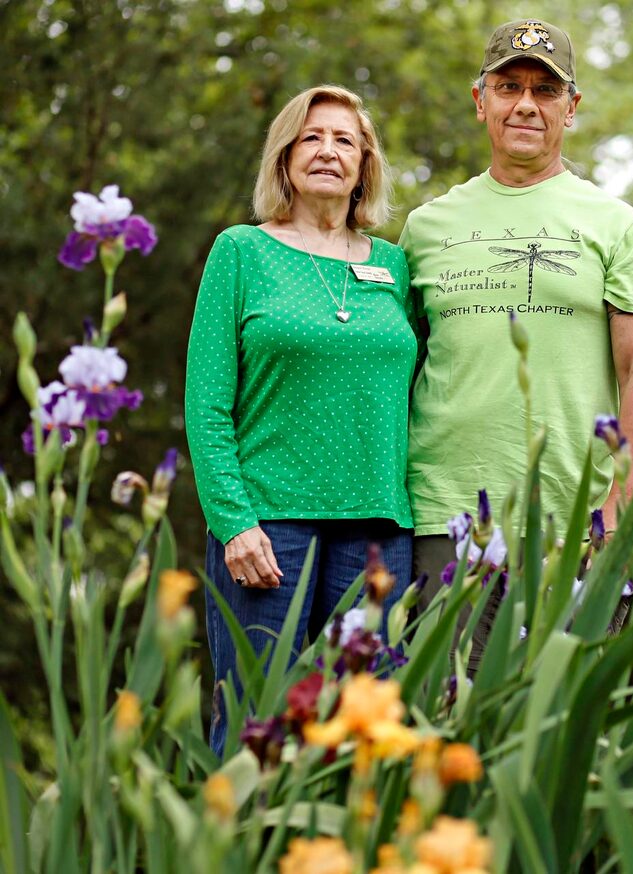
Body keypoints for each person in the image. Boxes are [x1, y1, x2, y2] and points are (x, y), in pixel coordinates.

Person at [400, 19, 633, 668]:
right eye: (509, 86)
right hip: (448, 516)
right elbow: (399, 368)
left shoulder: (616, 225)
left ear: (570, 109)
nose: (526, 103)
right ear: (480, 100)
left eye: (546, 91)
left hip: (576, 523)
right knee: (446, 725)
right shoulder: (425, 227)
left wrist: (619, 509)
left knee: (556, 740)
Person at [185, 85, 417, 754]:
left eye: (345, 140)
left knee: (358, 736)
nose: (327, 151)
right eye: (311, 137)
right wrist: (233, 520)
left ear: (364, 165)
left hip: (379, 531)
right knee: (261, 730)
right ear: (284, 157)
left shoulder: (396, 267)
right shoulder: (241, 252)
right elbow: (205, 401)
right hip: (268, 532)